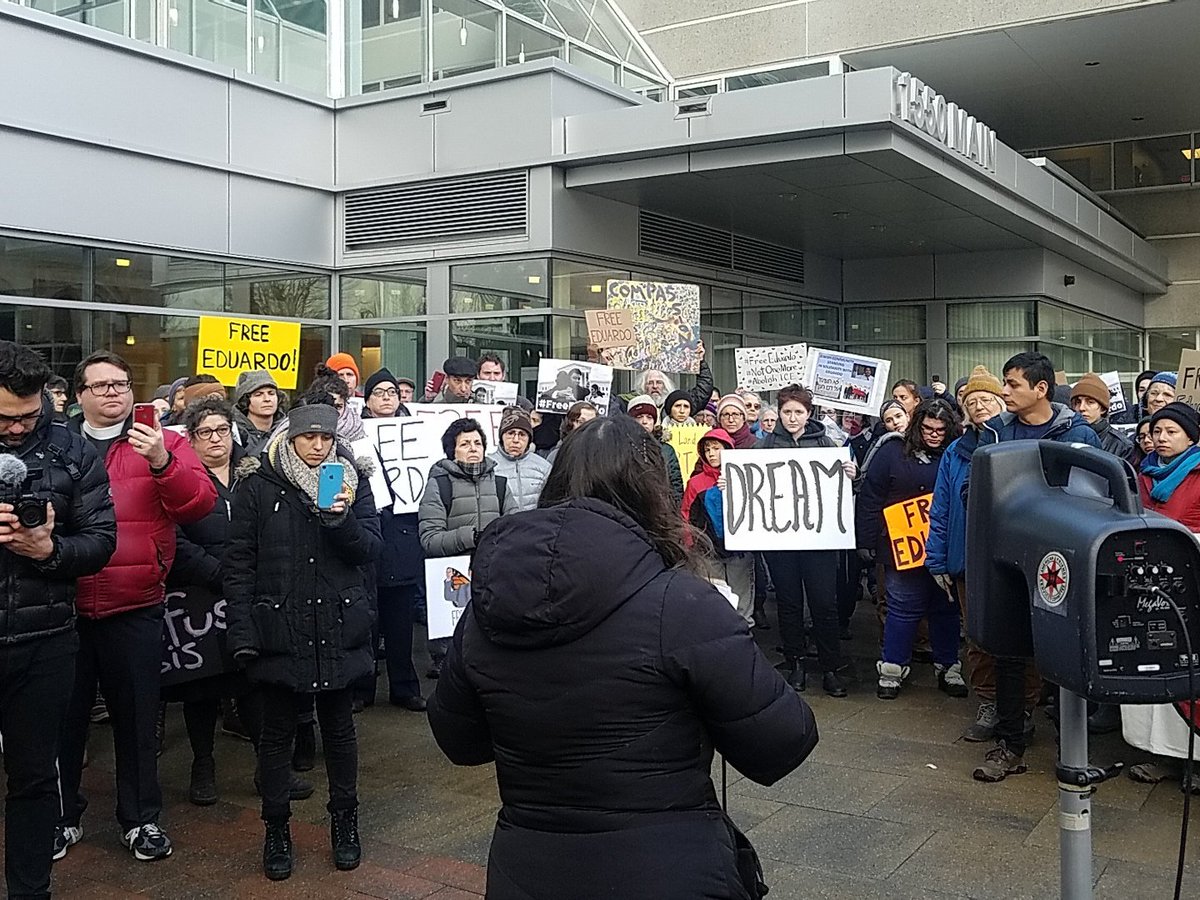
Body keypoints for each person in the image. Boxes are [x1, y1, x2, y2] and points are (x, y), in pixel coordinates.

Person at [427, 414, 819, 900]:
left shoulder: (487, 607)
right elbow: (783, 742)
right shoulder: (684, 603)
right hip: (668, 868)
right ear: (651, 492)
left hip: (528, 869)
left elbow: (460, 741)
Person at [57, 350, 216, 862]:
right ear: (79, 395)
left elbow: (199, 504)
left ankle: (141, 819)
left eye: (121, 384)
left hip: (135, 603)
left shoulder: (164, 441)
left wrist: (162, 462)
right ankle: (60, 816)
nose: (113, 392)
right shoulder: (57, 444)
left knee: (137, 720)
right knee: (62, 720)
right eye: (100, 385)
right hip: (64, 605)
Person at [225, 401, 381, 880]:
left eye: (325, 438)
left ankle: (345, 823)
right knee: (276, 736)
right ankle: (276, 829)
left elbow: (370, 548)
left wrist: (341, 520)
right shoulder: (258, 484)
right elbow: (239, 563)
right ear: (290, 437)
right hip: (280, 626)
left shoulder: (351, 479)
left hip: (336, 623)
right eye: (308, 437)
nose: (317, 446)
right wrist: (243, 632)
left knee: (339, 731)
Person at [0, 341, 115, 898]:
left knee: (35, 776)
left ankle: (31, 891)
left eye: (27, 415)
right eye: (4, 417)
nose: (17, 428)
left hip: (44, 640)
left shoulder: (71, 450)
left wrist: (49, 550)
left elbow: (102, 540)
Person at [971, 352, 1100, 784]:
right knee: (1008, 653)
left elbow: (1093, 498)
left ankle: (1073, 749)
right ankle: (1010, 743)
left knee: (1064, 655)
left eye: (1013, 384)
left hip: (1060, 564)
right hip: (1008, 562)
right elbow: (978, 491)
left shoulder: (1077, 434)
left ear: (1041, 389)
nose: (1004, 392)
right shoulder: (995, 431)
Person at [926, 365, 1028, 742]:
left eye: (986, 399)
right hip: (967, 558)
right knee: (978, 637)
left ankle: (1023, 707)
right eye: (972, 402)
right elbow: (941, 507)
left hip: (1013, 559)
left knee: (1022, 637)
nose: (980, 406)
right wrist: (937, 559)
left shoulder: (1017, 442)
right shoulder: (956, 451)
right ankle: (988, 703)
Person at [857, 400, 964, 700]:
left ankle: (948, 665)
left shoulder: (958, 453)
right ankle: (892, 668)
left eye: (940, 430)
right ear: (918, 426)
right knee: (902, 606)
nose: (934, 434)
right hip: (902, 547)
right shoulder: (892, 451)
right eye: (928, 428)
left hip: (945, 545)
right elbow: (871, 496)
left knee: (946, 606)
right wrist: (866, 540)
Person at [757, 384, 858, 697]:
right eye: (786, 411)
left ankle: (830, 668)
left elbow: (844, 490)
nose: (792, 417)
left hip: (819, 540)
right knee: (789, 604)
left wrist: (851, 475)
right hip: (781, 542)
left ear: (808, 413)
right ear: (779, 413)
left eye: (798, 412)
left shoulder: (826, 443)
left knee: (824, 603)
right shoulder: (765, 446)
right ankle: (796, 663)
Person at [1120, 401, 1200, 793]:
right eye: (1157, 431)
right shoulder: (1142, 475)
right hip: (1147, 587)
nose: (1161, 438)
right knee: (1151, 664)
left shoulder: (1198, 475)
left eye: (1171, 431)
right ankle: (1161, 754)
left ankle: (1196, 759)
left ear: (1191, 437)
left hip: (1191, 587)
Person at [418, 419, 518, 677]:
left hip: (493, 575)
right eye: (465, 444)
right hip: (454, 583)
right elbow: (429, 539)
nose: (473, 448)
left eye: (477, 443)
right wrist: (471, 537)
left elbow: (515, 529)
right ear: (452, 451)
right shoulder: (439, 485)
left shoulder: (500, 484)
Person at [358, 368, 424, 713]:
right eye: (379, 392)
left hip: (402, 533)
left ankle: (404, 687)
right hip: (366, 534)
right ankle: (362, 689)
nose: (387, 398)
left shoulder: (419, 433)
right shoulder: (354, 433)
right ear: (367, 400)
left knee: (400, 623)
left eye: (392, 392)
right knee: (365, 623)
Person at [682, 428, 755, 624]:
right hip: (709, 550)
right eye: (707, 450)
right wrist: (690, 545)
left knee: (742, 596)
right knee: (716, 596)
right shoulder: (695, 483)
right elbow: (686, 514)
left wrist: (734, 488)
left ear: (727, 449)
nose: (711, 454)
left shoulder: (743, 476)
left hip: (739, 549)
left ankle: (744, 630)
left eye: (716, 448)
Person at [489, 407, 550, 512]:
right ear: (502, 436)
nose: (516, 440)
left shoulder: (544, 467)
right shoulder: (488, 466)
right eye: (511, 433)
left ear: (529, 439)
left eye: (522, 435)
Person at [627, 395, 684, 505]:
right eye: (639, 417)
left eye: (649, 417)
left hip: (661, 506)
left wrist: (674, 509)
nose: (644, 421)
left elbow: (676, 484)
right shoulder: (622, 447)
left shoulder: (665, 450)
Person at [1070, 373, 1135, 463]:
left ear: (1103, 409)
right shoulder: (1065, 436)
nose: (1081, 408)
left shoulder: (1122, 445)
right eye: (1078, 402)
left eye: (1090, 402)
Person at [233, 369, 286, 456]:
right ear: (245, 401)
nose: (267, 399)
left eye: (271, 393)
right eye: (258, 395)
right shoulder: (233, 432)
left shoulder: (286, 431)